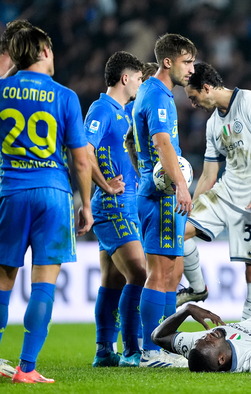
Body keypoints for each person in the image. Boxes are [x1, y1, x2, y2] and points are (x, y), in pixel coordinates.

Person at [0, 25, 93, 383]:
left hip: (11, 191)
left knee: (3, 282)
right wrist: (85, 204)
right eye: (49, 49)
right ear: (42, 51)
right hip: (53, 195)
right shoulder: (65, 96)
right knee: (43, 285)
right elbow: (81, 160)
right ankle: (26, 369)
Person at [180, 63, 251, 321]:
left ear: (205, 88)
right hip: (225, 193)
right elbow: (208, 174)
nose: (193, 104)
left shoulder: (250, 101)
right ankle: (197, 288)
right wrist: (189, 207)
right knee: (176, 232)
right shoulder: (213, 124)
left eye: (193, 98)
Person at [132, 33, 196, 368]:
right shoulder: (158, 96)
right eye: (187, 62)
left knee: (171, 272)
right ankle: (150, 351)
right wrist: (182, 186)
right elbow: (162, 144)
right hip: (160, 195)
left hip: (158, 192)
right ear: (167, 62)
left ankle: (166, 346)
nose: (192, 69)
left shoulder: (154, 93)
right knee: (159, 273)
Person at [85, 51, 146, 368]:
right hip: (113, 206)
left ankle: (104, 351)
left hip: (127, 205)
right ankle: (133, 350)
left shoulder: (123, 112)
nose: (139, 82)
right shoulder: (102, 109)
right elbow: (84, 149)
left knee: (113, 282)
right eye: (137, 77)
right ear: (125, 78)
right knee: (139, 272)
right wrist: (105, 184)